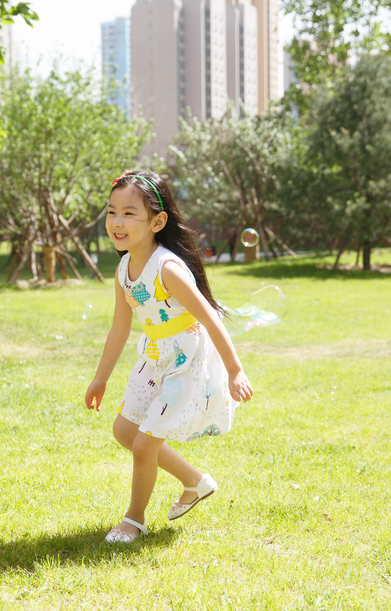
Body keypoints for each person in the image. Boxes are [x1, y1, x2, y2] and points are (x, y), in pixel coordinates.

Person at [84, 170, 253, 543]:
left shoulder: (168, 268)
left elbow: (209, 317)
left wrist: (234, 370)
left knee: (145, 443)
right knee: (125, 430)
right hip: (155, 355)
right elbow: (119, 328)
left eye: (130, 213)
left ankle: (134, 520)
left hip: (185, 362)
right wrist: (101, 378)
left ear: (158, 221)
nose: (117, 222)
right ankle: (195, 481)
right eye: (112, 212)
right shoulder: (123, 269)